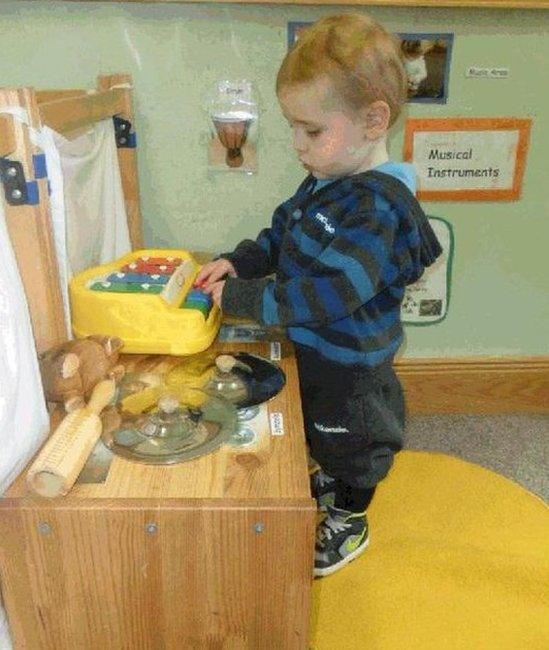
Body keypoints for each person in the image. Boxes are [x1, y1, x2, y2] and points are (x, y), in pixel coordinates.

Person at [196, 13, 442, 578]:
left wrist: (242, 298)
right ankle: (330, 472)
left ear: (373, 120)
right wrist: (242, 260)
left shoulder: (377, 208)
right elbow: (279, 235)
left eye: (311, 131)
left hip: (353, 363)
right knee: (320, 428)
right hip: (317, 349)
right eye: (293, 128)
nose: (297, 146)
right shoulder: (327, 180)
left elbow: (327, 295)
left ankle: (350, 520)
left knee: (354, 443)